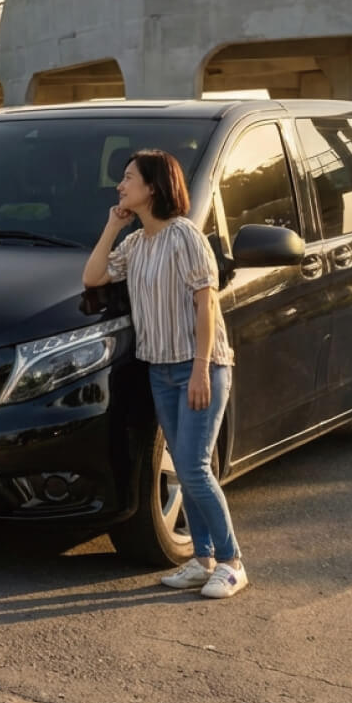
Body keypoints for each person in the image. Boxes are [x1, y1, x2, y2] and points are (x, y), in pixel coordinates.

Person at [82, 148, 247, 599]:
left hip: (202, 367)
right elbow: (93, 276)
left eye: (129, 177)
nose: (120, 184)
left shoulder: (185, 237)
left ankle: (232, 562)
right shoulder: (135, 245)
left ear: (152, 187)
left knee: (193, 467)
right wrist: (114, 225)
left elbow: (205, 303)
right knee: (187, 468)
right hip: (161, 370)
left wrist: (199, 370)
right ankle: (202, 559)